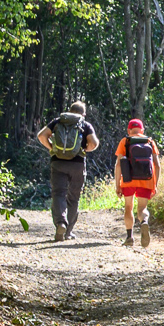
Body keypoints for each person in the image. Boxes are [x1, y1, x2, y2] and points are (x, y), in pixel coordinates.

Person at [37, 99, 99, 242]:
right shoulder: (85, 124)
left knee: (58, 194)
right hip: (77, 163)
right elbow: (94, 143)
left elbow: (41, 135)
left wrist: (51, 147)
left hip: (58, 162)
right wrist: (84, 150)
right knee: (73, 197)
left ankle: (60, 223)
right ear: (83, 114)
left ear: (70, 111)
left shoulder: (58, 121)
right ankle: (68, 232)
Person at [116, 118, 159, 248]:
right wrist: (155, 185)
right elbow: (157, 165)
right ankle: (144, 221)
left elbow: (119, 165)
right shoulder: (149, 141)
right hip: (147, 180)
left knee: (128, 207)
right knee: (142, 208)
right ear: (142, 130)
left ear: (129, 130)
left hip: (128, 179)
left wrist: (118, 185)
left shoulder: (125, 141)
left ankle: (129, 237)